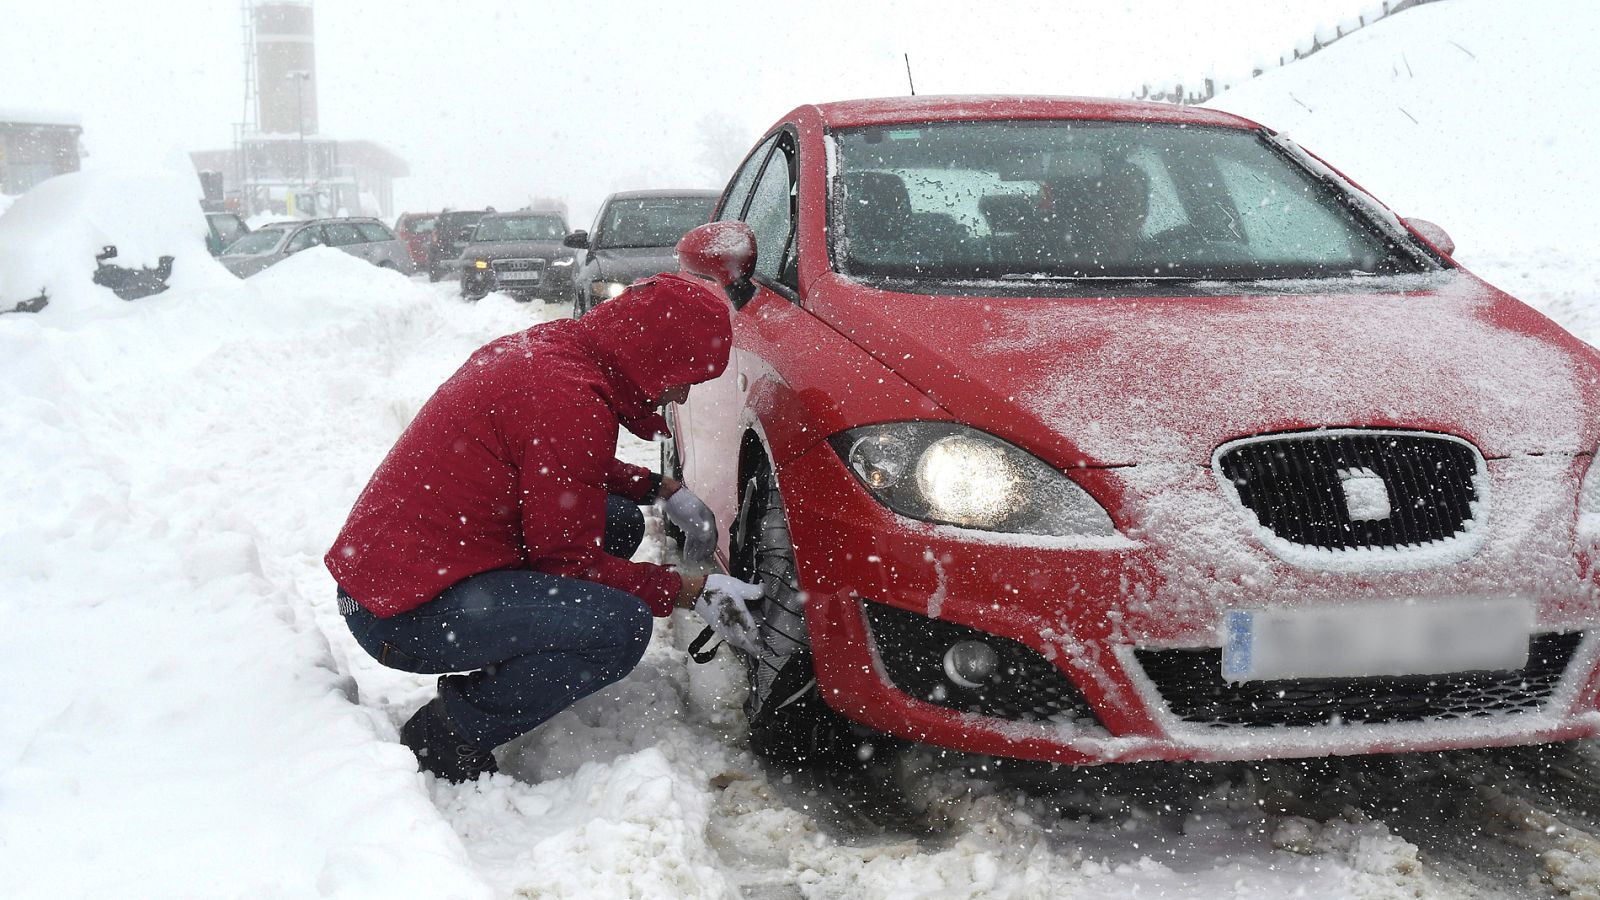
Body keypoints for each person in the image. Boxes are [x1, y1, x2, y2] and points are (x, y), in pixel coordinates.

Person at [325, 272, 764, 783]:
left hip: (399, 577)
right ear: (655, 356)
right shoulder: (568, 398)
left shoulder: (559, 354)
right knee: (620, 628)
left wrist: (657, 488)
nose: (681, 396)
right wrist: (690, 590)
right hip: (402, 613)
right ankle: (449, 733)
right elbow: (569, 561)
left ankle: (520, 653)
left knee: (617, 522)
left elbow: (555, 460)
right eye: (685, 378)